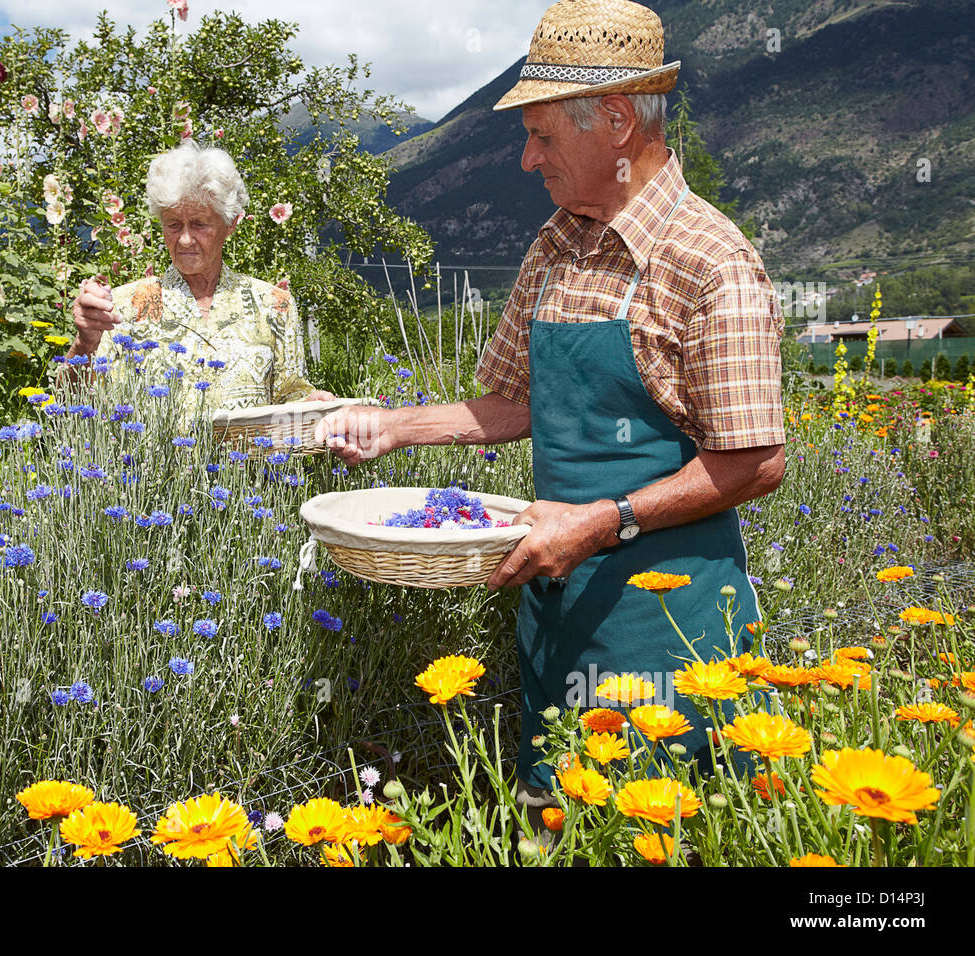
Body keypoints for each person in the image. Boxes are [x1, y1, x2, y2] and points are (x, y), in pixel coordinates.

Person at [316, 0, 785, 828]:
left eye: (541, 135)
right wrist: (389, 426)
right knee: (552, 819)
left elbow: (755, 463)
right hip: (557, 610)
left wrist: (597, 524)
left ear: (612, 121)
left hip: (668, 628)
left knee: (660, 830)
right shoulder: (555, 246)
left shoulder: (713, 262)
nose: (528, 160)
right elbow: (509, 403)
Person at [64, 140, 333, 410]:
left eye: (199, 224)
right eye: (173, 225)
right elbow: (71, 406)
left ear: (230, 224)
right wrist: (85, 342)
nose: (184, 239)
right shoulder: (121, 306)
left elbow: (290, 396)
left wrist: (312, 403)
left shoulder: (274, 305)